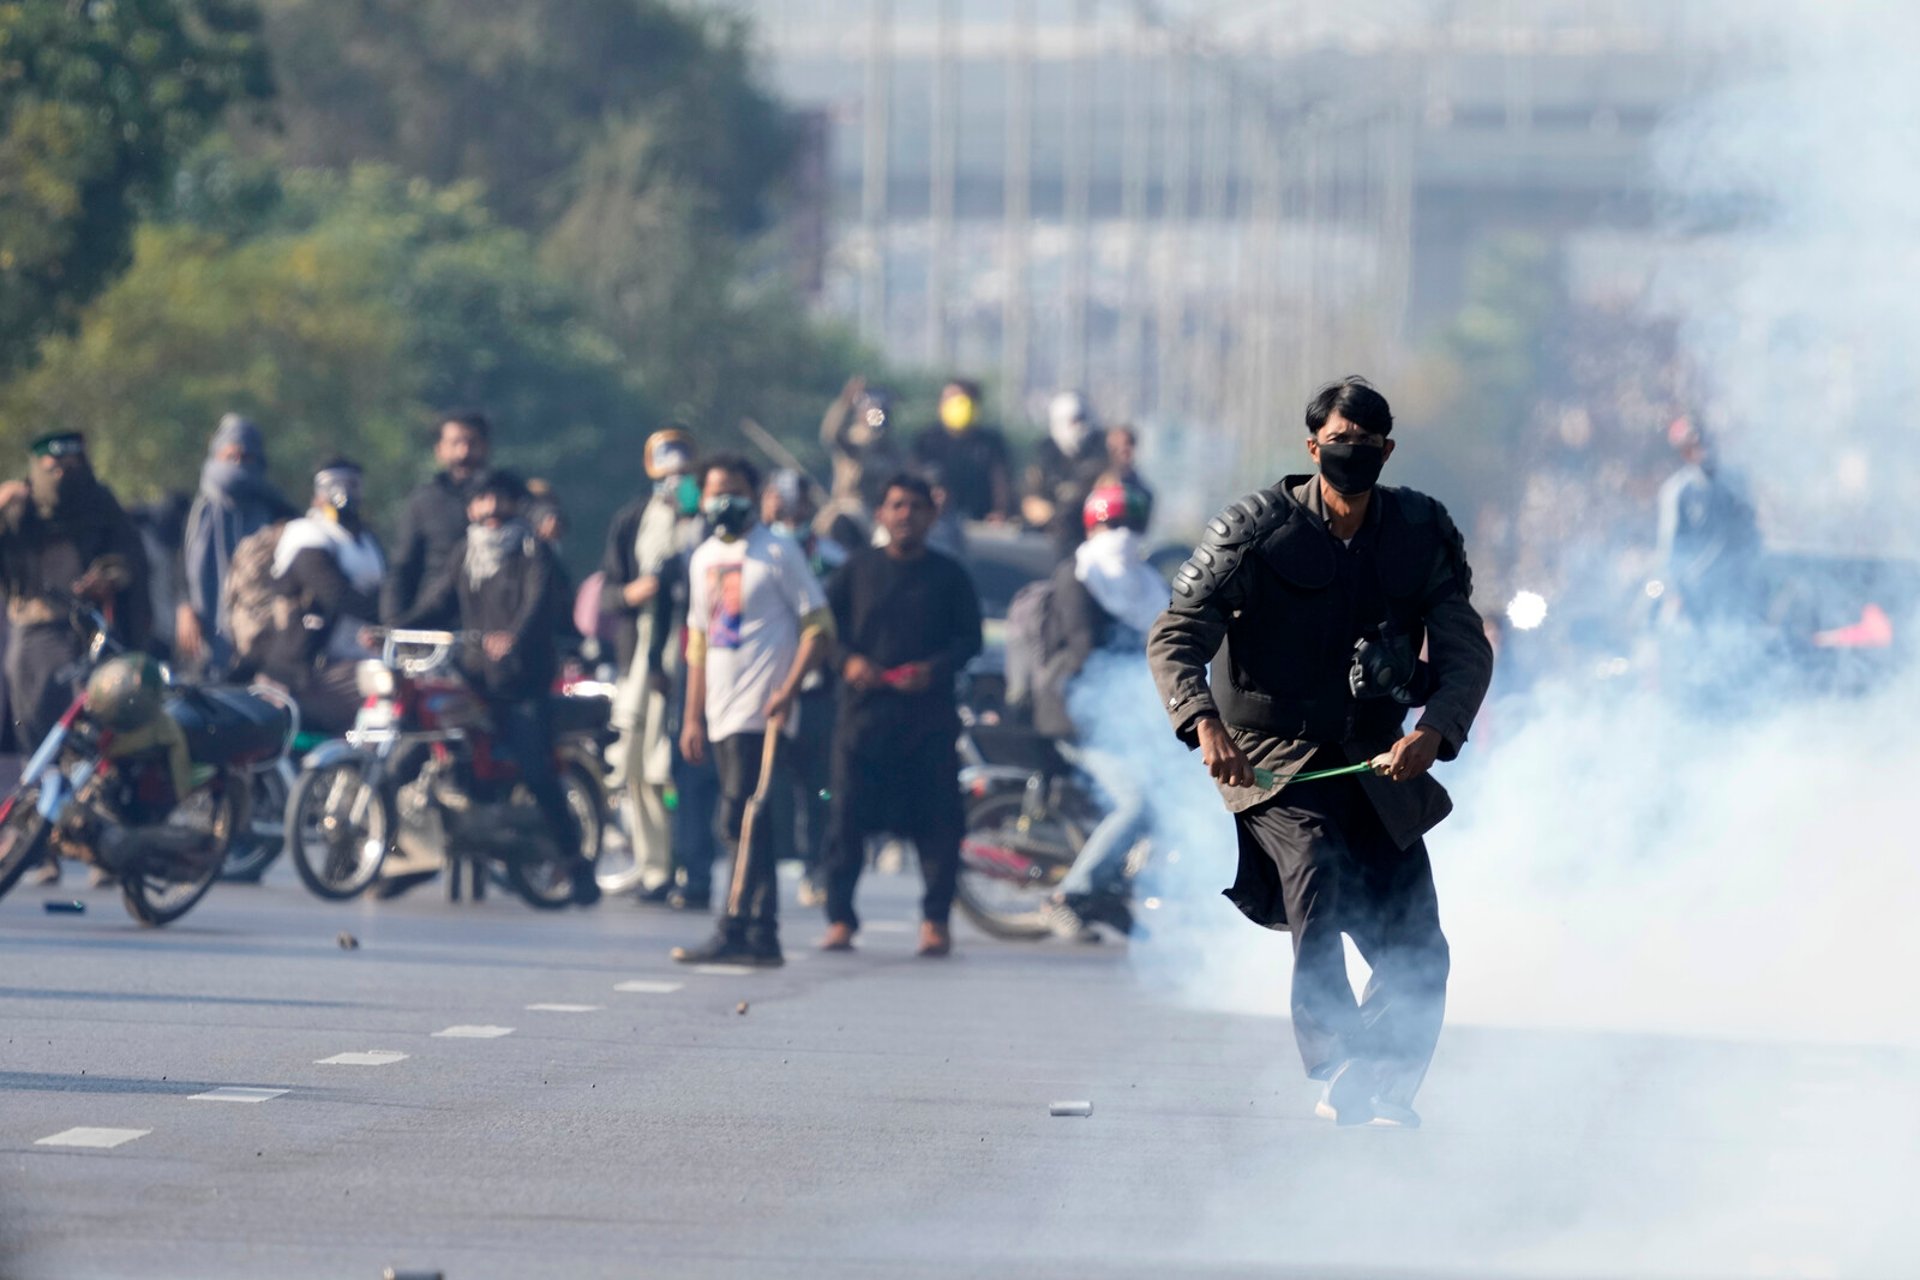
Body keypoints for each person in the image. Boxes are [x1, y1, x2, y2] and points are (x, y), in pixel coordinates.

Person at [1147, 377, 1493, 1129]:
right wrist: (1204, 724)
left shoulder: (1419, 531)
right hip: (1270, 756)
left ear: (1387, 450)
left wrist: (1432, 732)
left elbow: (1466, 652)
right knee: (1316, 863)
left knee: (1420, 949)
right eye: (1339, 443)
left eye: (1368, 446)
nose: (1353, 457)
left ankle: (1383, 1086)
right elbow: (1176, 635)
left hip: (1375, 758)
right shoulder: (1256, 529)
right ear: (1312, 448)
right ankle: (1337, 1054)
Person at [398, 470, 601, 906]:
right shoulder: (464, 553)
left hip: (522, 686)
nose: (490, 510)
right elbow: (436, 604)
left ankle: (577, 862)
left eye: (499, 500)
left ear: (513, 505)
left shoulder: (533, 552)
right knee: (420, 743)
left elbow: (536, 605)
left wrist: (511, 638)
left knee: (536, 770)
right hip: (473, 682)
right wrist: (394, 630)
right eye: (480, 501)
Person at [671, 453, 833, 967]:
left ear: (755, 494)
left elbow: (818, 627)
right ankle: (759, 933)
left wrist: (788, 689)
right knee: (746, 819)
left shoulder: (778, 551)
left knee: (742, 813)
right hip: (718, 708)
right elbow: (697, 643)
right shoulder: (701, 559)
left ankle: (738, 925)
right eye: (715, 491)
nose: (725, 501)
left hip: (763, 709)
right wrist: (692, 716)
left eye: (735, 490)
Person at [820, 474, 984, 957]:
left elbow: (969, 640)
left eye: (915, 506)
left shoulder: (950, 575)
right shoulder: (855, 570)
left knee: (938, 825)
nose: (905, 514)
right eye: (896, 505)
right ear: (881, 514)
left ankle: (935, 921)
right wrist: (847, 661)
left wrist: (934, 669)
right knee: (845, 820)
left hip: (927, 721)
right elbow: (825, 630)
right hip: (863, 719)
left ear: (931, 515)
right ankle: (841, 920)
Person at [0, 431, 151, 886]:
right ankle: (38, 848)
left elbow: (130, 556)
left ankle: (99, 848)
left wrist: (111, 575)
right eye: (54, 465)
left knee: (95, 741)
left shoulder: (99, 505)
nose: (63, 473)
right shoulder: (19, 510)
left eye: (72, 463)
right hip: (31, 636)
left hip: (89, 636)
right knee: (38, 741)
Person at [1033, 478, 1164, 941]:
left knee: (1166, 799)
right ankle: (1066, 897)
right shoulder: (1079, 575)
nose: (1123, 535)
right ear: (1094, 526)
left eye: (1131, 524)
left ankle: (1105, 896)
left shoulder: (1147, 583)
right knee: (1135, 804)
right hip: (1076, 717)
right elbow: (1086, 653)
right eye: (1115, 524)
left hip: (1125, 721)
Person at [599, 426, 701, 905]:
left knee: (672, 769)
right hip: (638, 655)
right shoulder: (632, 518)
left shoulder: (701, 520)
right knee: (637, 765)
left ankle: (685, 864)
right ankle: (652, 865)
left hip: (686, 654)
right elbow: (608, 591)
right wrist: (631, 593)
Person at [762, 469, 847, 906]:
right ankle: (769, 868)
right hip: (766, 686)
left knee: (819, 786)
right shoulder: (757, 553)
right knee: (769, 784)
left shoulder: (832, 558)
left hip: (816, 689)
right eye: (779, 499)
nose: (788, 511)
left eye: (796, 503)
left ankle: (817, 866)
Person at [258, 461, 385, 736]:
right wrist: (390, 621)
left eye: (354, 485)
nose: (348, 493)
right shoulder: (307, 533)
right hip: (307, 669)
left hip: (357, 657)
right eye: (338, 485)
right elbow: (334, 594)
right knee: (387, 691)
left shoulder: (365, 540)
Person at [181, 414, 297, 672]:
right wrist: (184, 606)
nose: (237, 466)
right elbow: (180, 568)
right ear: (216, 457)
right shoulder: (197, 512)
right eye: (230, 457)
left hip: (261, 637)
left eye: (246, 458)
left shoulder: (275, 511)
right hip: (202, 635)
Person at [383, 411, 492, 628]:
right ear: (439, 450)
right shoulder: (423, 501)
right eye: (455, 443)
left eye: (471, 442)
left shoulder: (506, 496)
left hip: (491, 622)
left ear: (485, 447)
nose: (464, 452)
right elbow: (402, 567)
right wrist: (392, 622)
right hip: (433, 621)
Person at [1655, 415, 1761, 627]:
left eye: (1707, 442)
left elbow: (1751, 530)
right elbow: (1670, 548)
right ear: (1685, 452)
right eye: (1695, 445)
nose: (1704, 450)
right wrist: (1675, 591)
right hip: (1697, 589)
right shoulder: (1679, 491)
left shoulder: (1735, 480)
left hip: (1736, 588)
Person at [817, 376, 906, 546]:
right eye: (872, 409)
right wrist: (844, 403)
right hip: (851, 506)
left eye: (882, 410)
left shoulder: (892, 448)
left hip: (880, 512)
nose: (877, 414)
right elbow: (830, 435)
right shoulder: (853, 440)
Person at [911, 378, 1013, 523]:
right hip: (936, 521)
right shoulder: (927, 441)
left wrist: (1000, 512)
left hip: (982, 523)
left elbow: (1001, 482)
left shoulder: (991, 442)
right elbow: (915, 477)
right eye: (950, 399)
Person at [1022, 391, 1110, 554]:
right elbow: (1030, 502)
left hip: (1090, 542)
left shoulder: (1101, 454)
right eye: (1072, 421)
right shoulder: (1044, 455)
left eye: (1081, 420)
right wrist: (1055, 514)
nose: (1078, 428)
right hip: (1048, 544)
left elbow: (1108, 496)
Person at [1106, 424, 1154, 509]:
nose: (1123, 449)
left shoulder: (1142, 494)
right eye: (1115, 447)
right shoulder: (1095, 487)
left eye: (1128, 443)